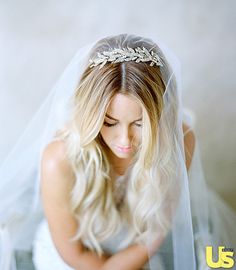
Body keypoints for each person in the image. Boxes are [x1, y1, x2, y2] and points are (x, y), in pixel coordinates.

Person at [0, 34, 236, 270]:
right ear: (91, 116)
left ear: (161, 116)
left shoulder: (180, 142)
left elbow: (156, 231)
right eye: (110, 122)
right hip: (73, 260)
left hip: (134, 252)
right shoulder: (59, 159)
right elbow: (74, 253)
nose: (125, 140)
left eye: (141, 123)